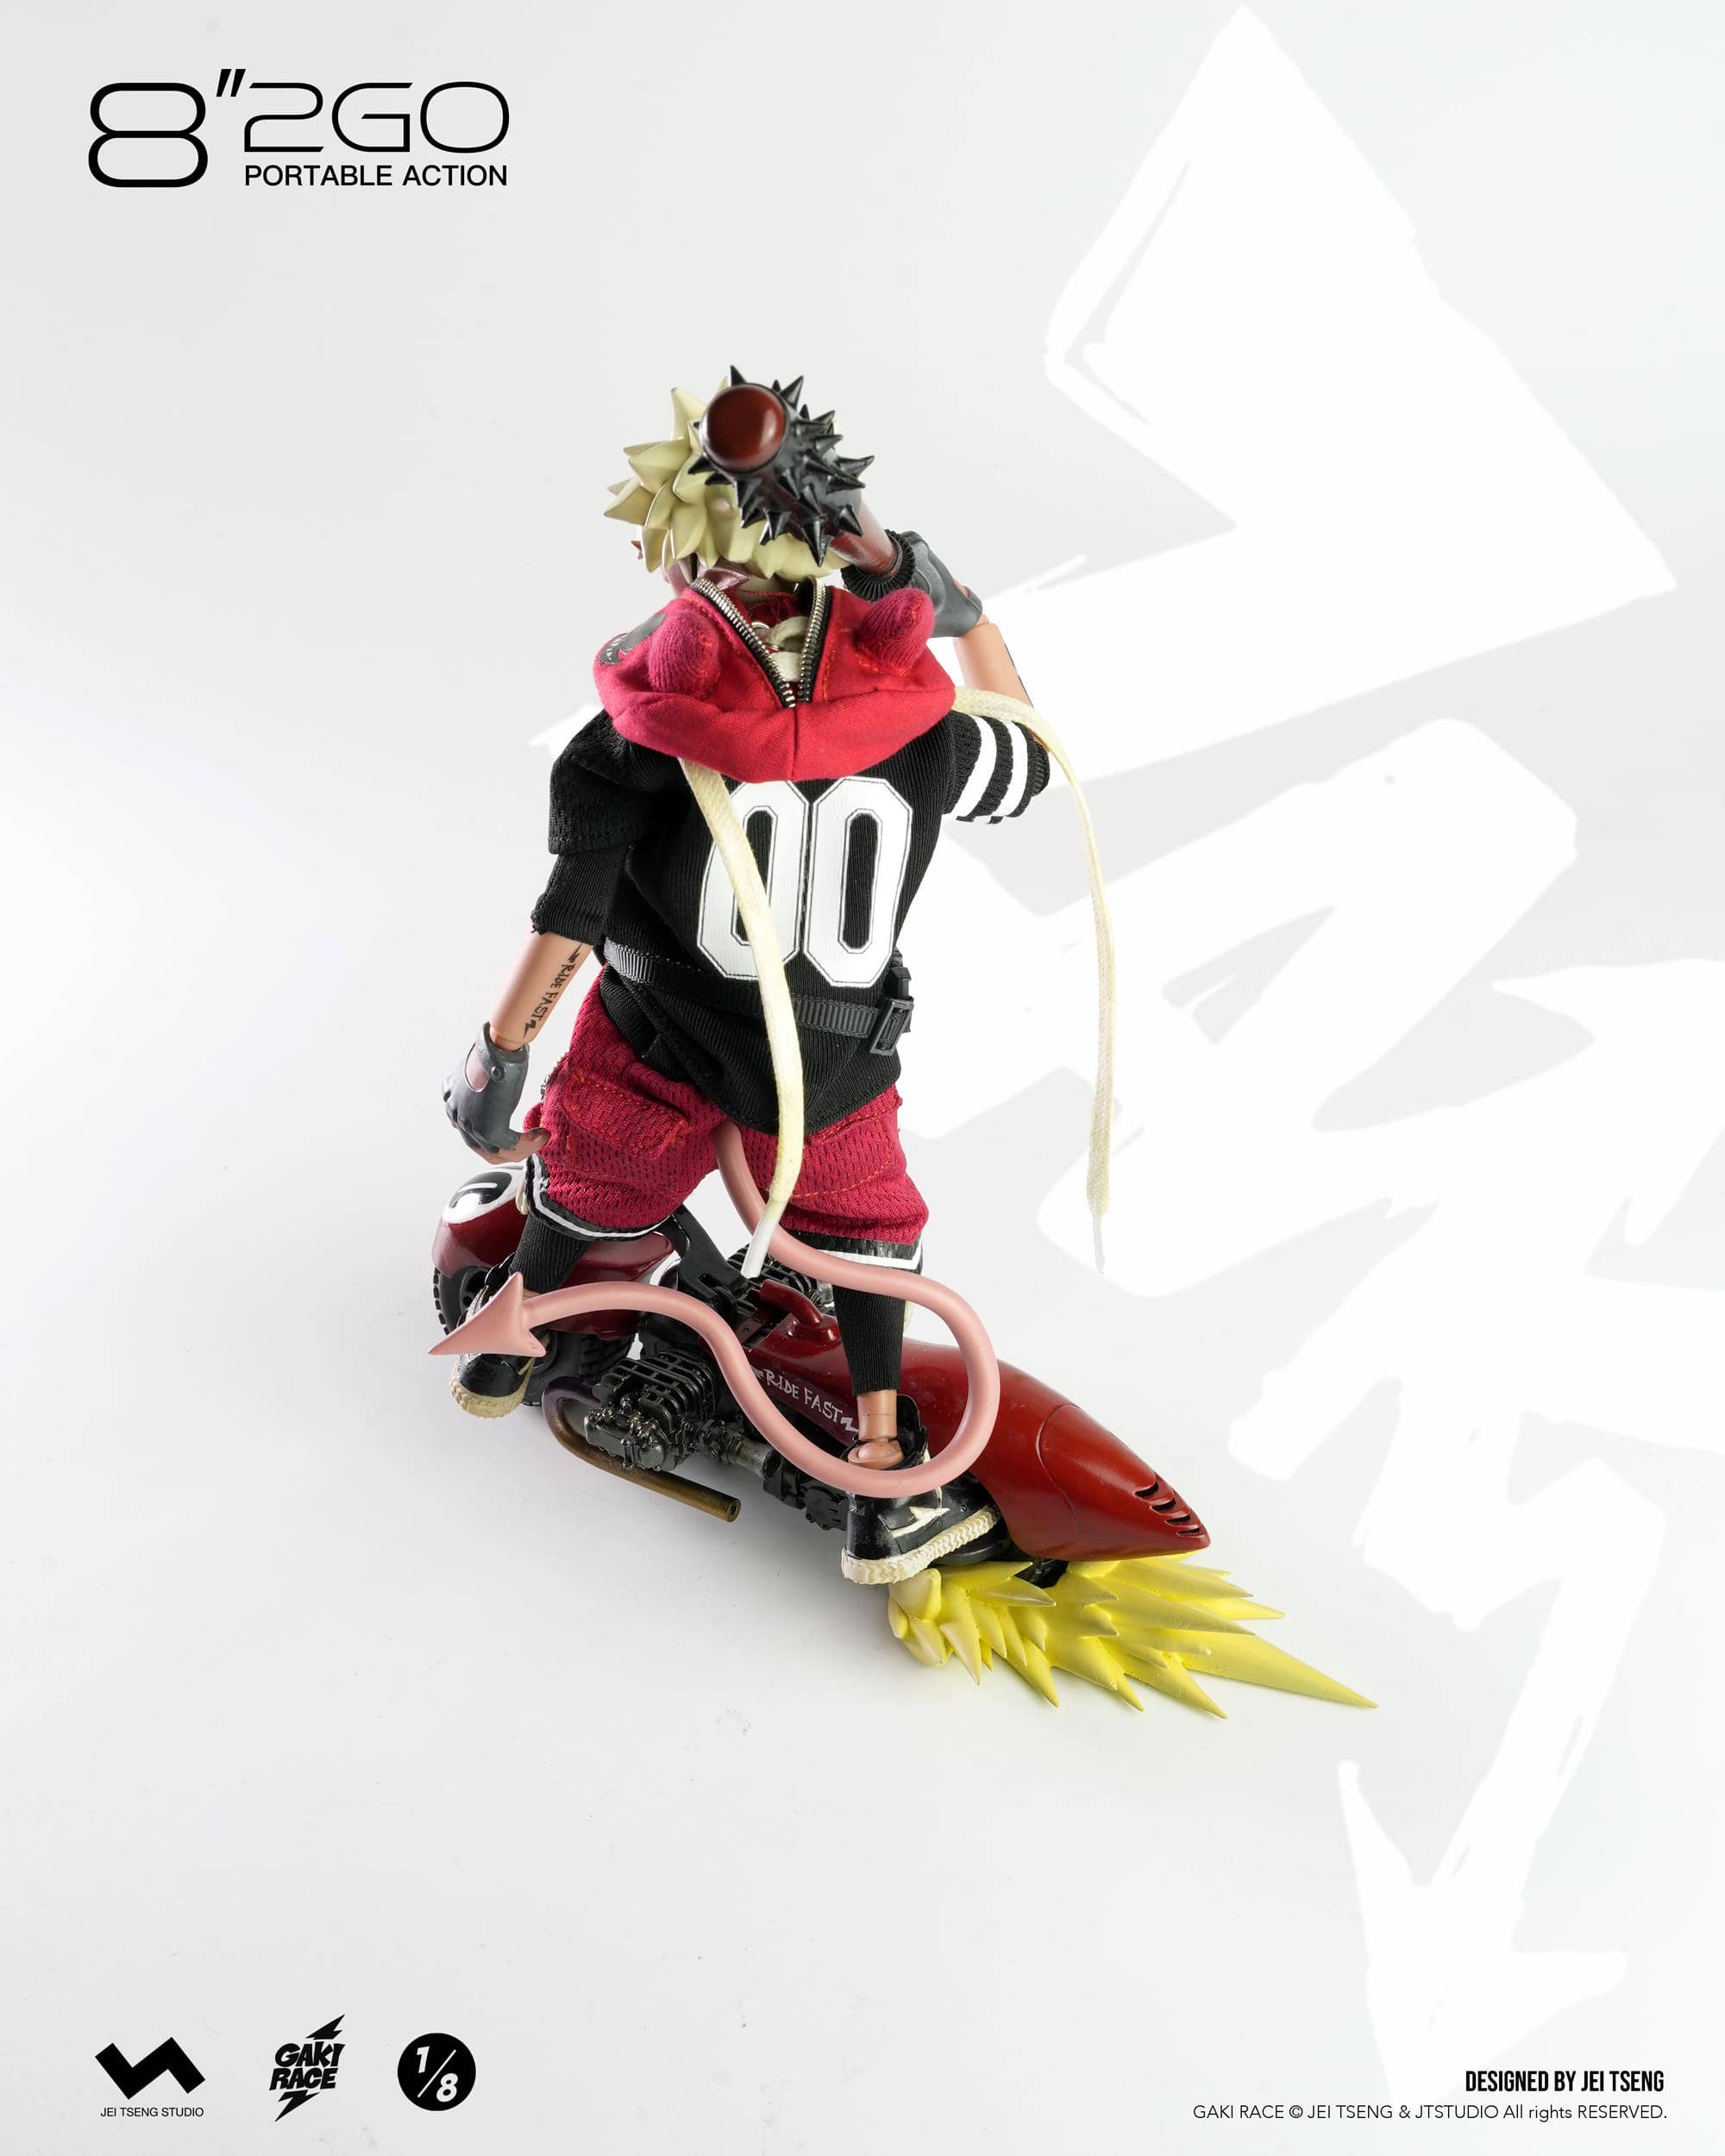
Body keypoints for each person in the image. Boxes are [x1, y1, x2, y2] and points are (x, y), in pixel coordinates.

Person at [442, 384, 1052, 1585]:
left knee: (592, 1179)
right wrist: (962, 605)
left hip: (660, 1037)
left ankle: (504, 1351)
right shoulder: (923, 728)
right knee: (864, 1238)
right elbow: (1027, 754)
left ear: (685, 569)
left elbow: (572, 914)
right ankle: (882, 1478)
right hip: (827, 1069)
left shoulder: (636, 732)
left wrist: (499, 1054)